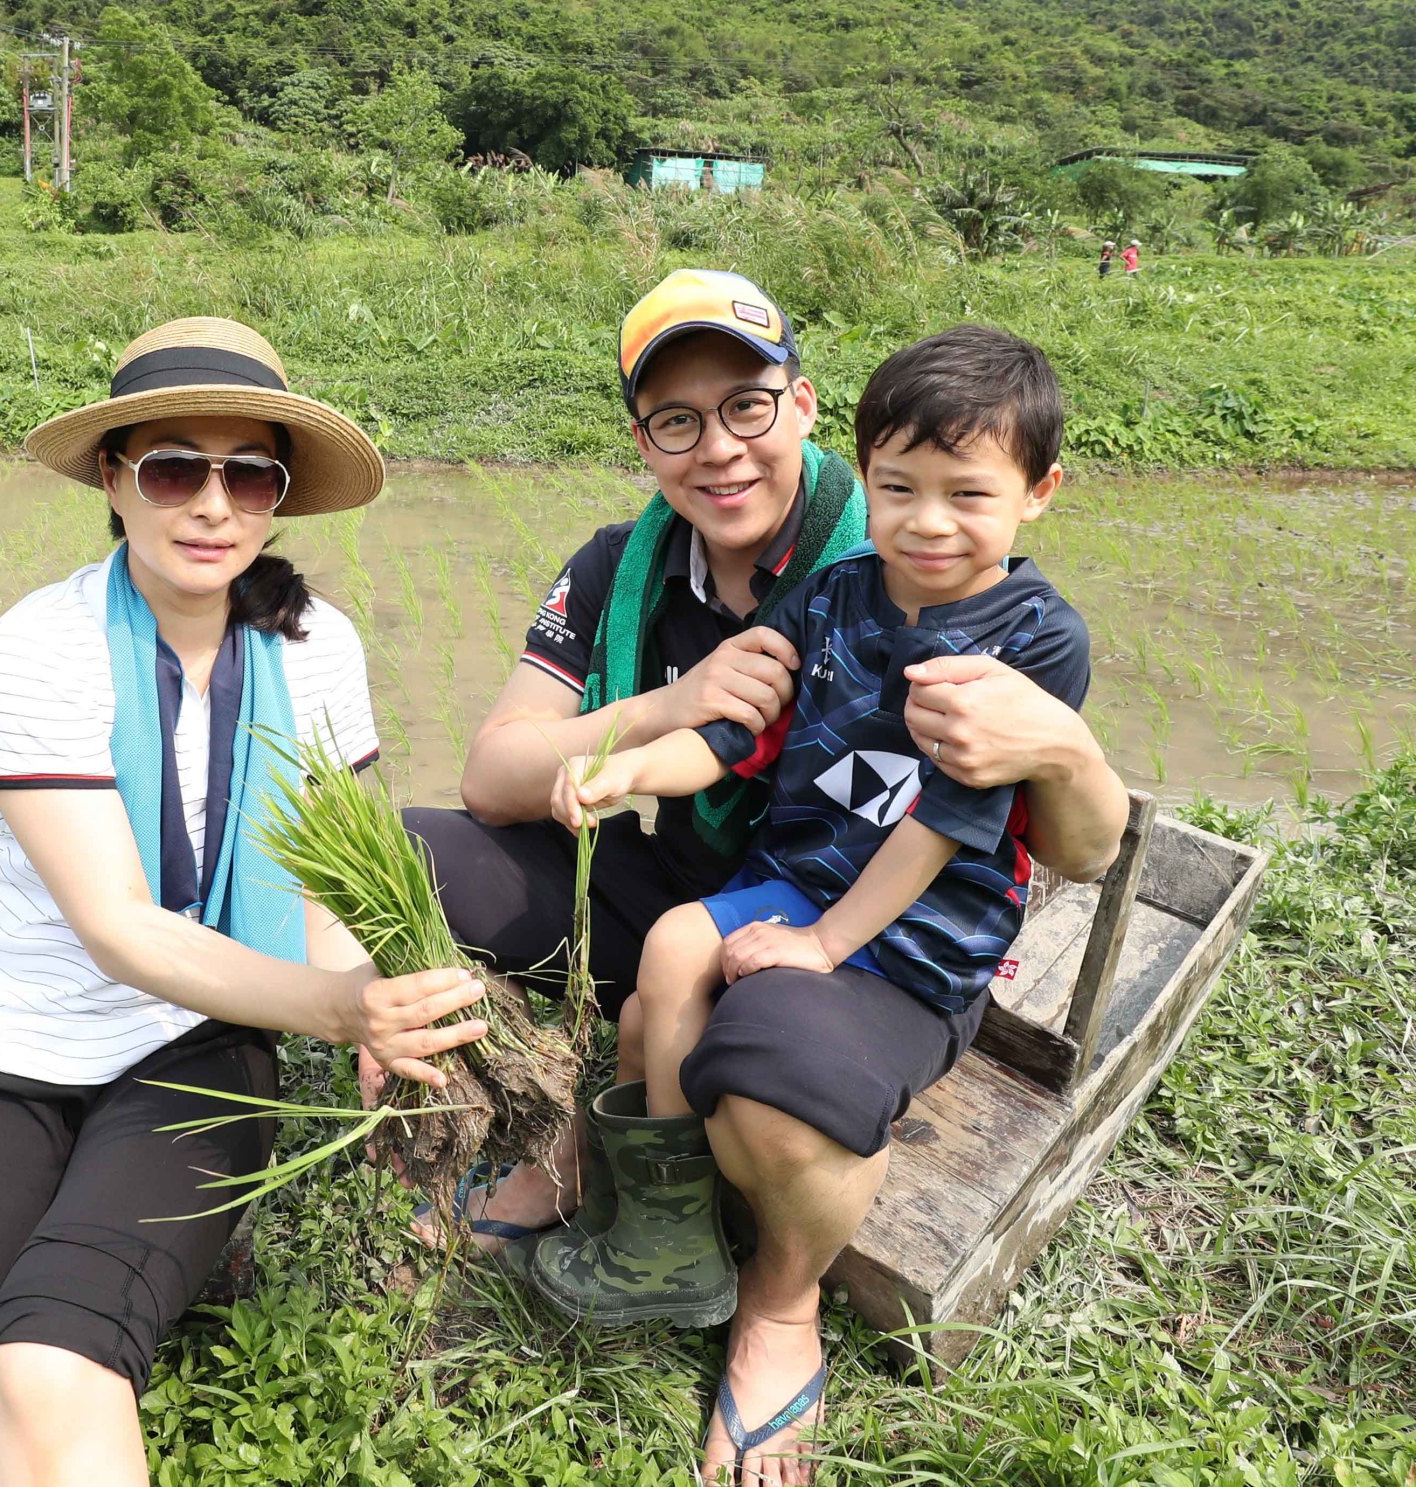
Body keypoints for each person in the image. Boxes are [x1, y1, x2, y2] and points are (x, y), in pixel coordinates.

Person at [398, 271, 1129, 1485]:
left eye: (743, 404)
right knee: (425, 853)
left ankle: (776, 1304)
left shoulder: (896, 566)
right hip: (717, 885)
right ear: (641, 440)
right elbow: (499, 772)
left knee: (767, 1075)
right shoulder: (625, 569)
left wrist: (1060, 746)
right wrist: (642, 720)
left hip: (853, 922)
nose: (715, 447)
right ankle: (621, 1176)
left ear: (799, 406)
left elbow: (1067, 842)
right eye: (674, 421)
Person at [0, 317, 490, 1487]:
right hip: (6, 1045)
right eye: (174, 467)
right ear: (113, 478)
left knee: (43, 1365)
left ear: (277, 498)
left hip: (194, 1049)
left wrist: (368, 988)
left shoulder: (316, 647)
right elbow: (115, 925)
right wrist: (340, 1008)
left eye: (248, 472)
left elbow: (338, 868)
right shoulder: (41, 643)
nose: (212, 503)